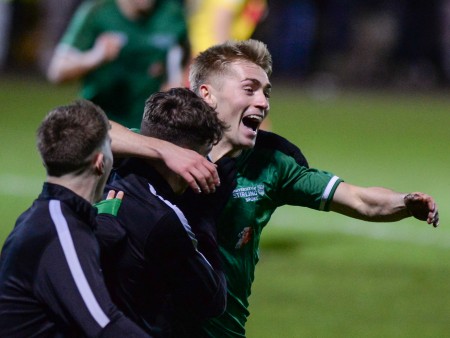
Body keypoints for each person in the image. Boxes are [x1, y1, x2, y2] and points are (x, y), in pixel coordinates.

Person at [109, 40, 440, 337]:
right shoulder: (158, 142)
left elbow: (359, 199)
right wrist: (164, 151)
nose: (263, 102)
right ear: (207, 94)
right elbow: (85, 132)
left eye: (266, 92)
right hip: (144, 325)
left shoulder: (272, 161)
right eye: (250, 89)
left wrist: (404, 202)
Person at [0, 100, 150, 337]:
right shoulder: (62, 232)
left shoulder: (45, 217)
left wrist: (102, 228)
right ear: (100, 163)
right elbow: (107, 325)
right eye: (110, 146)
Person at [98, 88, 235, 336]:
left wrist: (162, 149)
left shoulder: (102, 170)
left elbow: (89, 127)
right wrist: (205, 217)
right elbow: (213, 300)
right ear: (188, 156)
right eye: (206, 154)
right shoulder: (164, 219)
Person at [46, 0, 189, 129]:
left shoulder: (171, 12)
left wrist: (172, 83)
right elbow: (57, 72)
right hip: (101, 124)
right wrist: (95, 57)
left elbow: (184, 57)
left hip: (150, 126)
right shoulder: (98, 11)